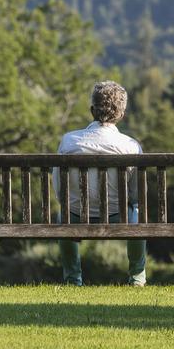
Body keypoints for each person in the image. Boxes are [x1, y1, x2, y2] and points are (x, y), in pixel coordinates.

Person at [52, 81, 146, 286]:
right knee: (137, 215)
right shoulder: (130, 146)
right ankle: (137, 278)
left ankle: (72, 278)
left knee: (62, 213)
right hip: (118, 216)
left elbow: (59, 190)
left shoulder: (69, 142)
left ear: (92, 110)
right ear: (121, 114)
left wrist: (71, 204)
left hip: (75, 215)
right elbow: (136, 195)